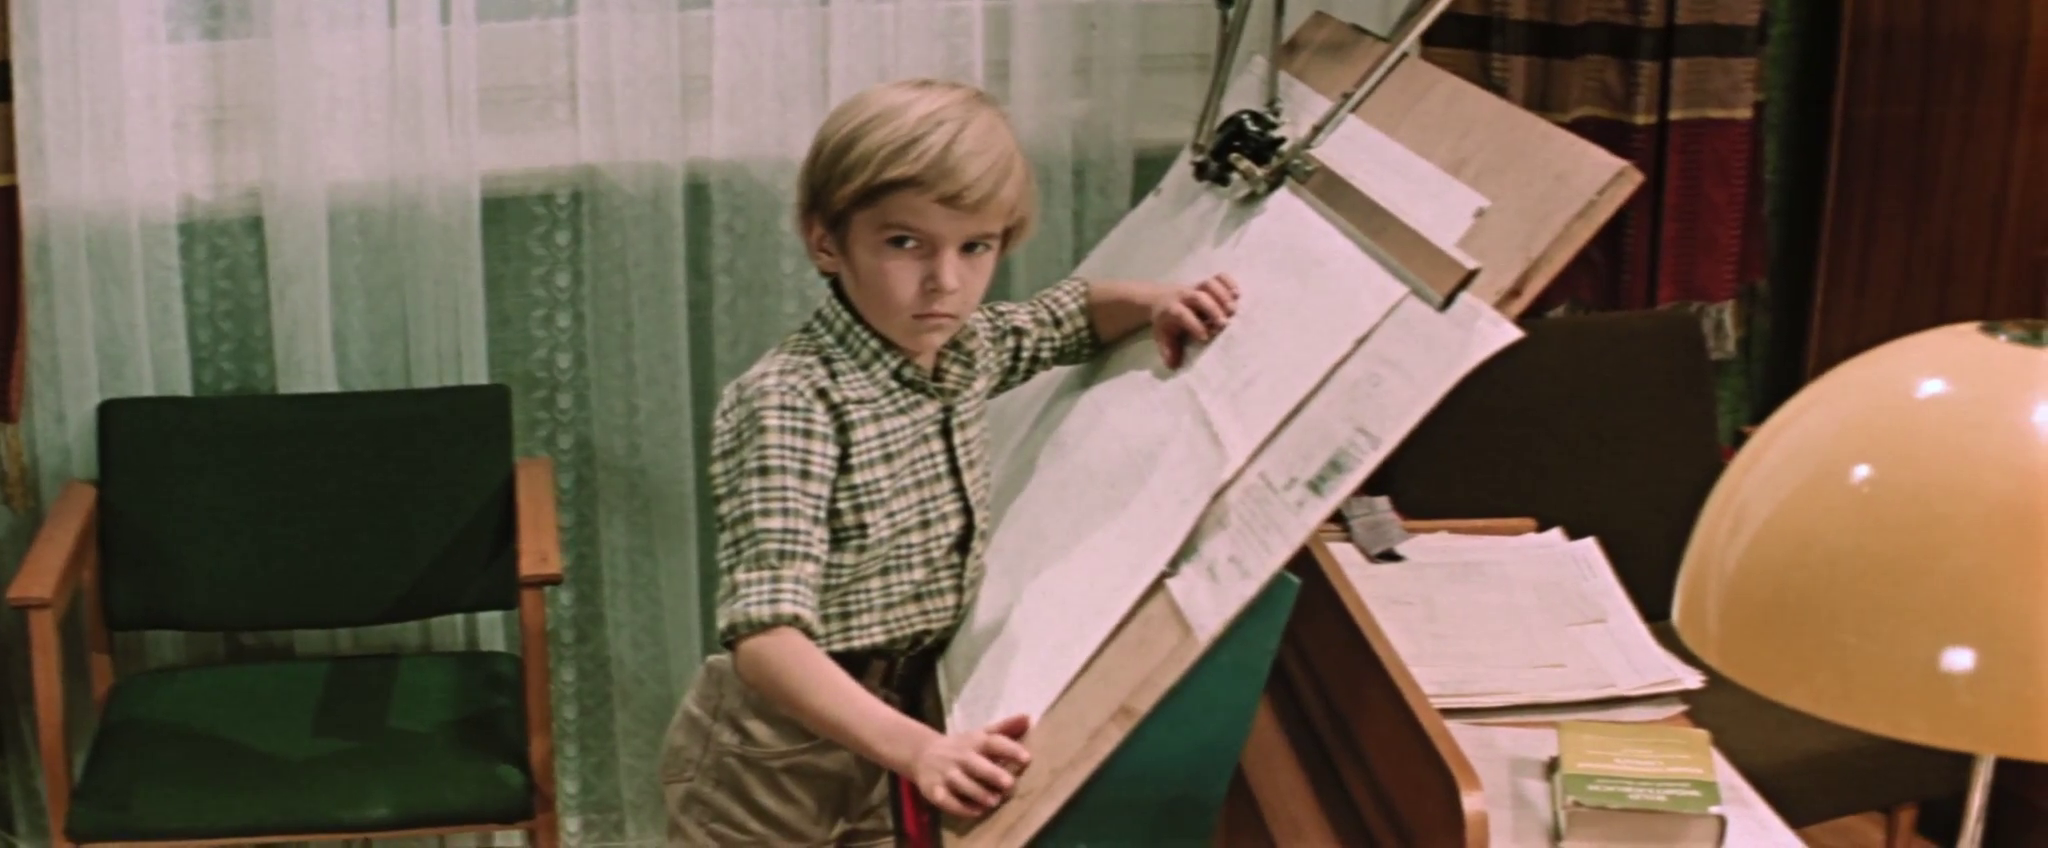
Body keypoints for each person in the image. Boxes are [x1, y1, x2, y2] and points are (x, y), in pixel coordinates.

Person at [660, 77, 1241, 846]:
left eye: (976, 247)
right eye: (905, 243)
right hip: (777, 749)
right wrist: (918, 751)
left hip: (900, 712)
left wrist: (1157, 302)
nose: (946, 281)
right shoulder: (793, 403)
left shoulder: (961, 347)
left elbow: (1067, 316)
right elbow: (766, 643)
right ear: (827, 242)